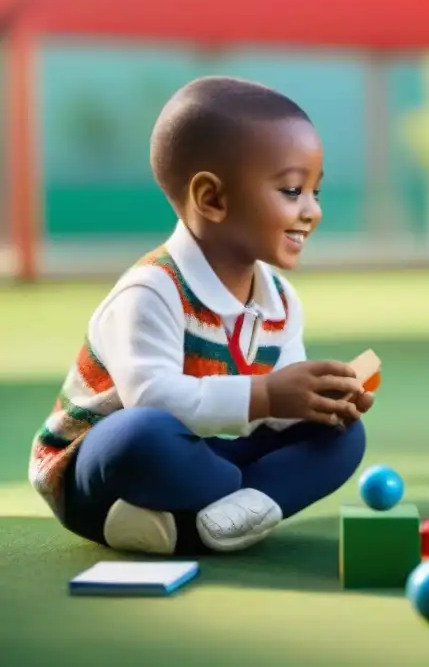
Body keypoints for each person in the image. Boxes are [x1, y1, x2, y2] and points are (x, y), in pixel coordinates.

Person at [28, 76, 372, 556]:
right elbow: (153, 400)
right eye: (293, 190)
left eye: (316, 192)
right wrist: (269, 394)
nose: (312, 211)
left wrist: (316, 401)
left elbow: (271, 415)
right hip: (104, 467)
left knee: (343, 437)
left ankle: (205, 518)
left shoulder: (281, 299)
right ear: (212, 199)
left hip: (207, 457)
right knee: (142, 435)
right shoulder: (152, 290)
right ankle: (224, 506)